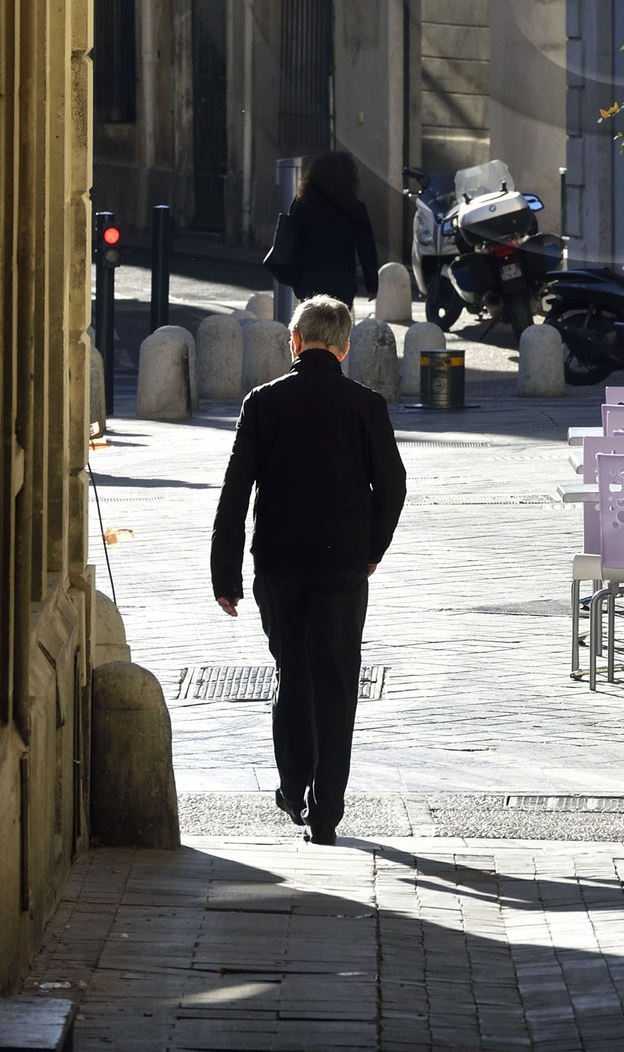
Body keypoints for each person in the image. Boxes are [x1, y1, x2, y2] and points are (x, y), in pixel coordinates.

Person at [210, 293, 406, 844]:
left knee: (291, 673)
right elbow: (392, 486)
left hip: (278, 562)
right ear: (343, 349)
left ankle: (293, 787)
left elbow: (234, 493)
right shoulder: (366, 405)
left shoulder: (262, 403)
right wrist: (373, 548)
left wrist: (224, 573)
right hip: (343, 563)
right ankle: (327, 813)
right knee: (338, 683)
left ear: (293, 342)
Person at [281, 149, 379, 305]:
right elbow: (367, 249)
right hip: (342, 282)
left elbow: (291, 243)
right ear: (349, 178)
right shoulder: (355, 209)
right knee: (338, 326)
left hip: (308, 281)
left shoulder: (301, 206)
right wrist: (372, 284)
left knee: (311, 325)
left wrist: (295, 280)